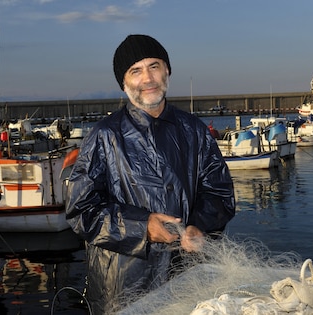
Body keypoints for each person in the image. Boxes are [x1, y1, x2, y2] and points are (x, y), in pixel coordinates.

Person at [65, 34, 236, 314]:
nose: (148, 78)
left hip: (187, 279)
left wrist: (199, 224)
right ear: (124, 83)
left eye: (154, 66)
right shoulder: (104, 136)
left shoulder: (194, 131)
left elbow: (219, 193)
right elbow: (81, 212)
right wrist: (142, 227)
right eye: (136, 70)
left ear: (167, 70)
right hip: (122, 286)